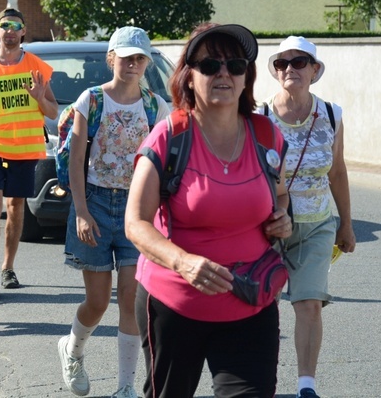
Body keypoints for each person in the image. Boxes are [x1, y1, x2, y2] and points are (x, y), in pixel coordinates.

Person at [124, 23, 293, 397]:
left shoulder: (266, 135)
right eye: (210, 65)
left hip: (251, 303)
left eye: (235, 65)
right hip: (175, 305)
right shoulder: (170, 136)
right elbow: (135, 223)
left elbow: (279, 196)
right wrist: (183, 261)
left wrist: (283, 218)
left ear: (246, 77)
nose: (224, 74)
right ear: (188, 75)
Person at [57, 27, 170, 398]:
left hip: (136, 208)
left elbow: (163, 164)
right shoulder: (91, 99)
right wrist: (81, 211)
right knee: (98, 301)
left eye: (139, 59)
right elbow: (76, 160)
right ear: (112, 59)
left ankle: (125, 387)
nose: (133, 65)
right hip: (95, 203)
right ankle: (72, 350)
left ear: (147, 63)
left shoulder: (155, 106)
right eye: (126, 58)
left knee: (130, 298)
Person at [259, 36, 356, 398]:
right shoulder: (259, 115)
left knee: (310, 302)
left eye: (298, 62)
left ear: (314, 70)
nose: (289, 69)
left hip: (317, 224)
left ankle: (306, 386)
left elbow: (338, 172)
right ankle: (260, 379)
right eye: (282, 63)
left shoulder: (331, 114)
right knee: (263, 305)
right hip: (267, 226)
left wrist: (345, 223)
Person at [0, 8, 58, 295]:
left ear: (23, 31)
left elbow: (52, 111)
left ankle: (8, 268)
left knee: (16, 207)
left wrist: (40, 98)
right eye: (5, 25)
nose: (10, 31)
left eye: (16, 26)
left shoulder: (36, 66)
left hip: (25, 148)